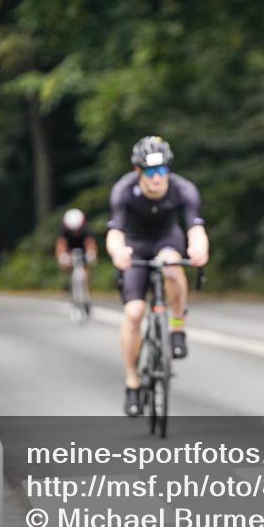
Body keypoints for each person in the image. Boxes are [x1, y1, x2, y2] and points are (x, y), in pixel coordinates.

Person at [106, 136, 210, 418]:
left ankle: (177, 327)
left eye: (162, 171)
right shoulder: (124, 190)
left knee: (173, 267)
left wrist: (199, 247)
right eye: (151, 172)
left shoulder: (182, 189)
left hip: (167, 240)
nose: (157, 178)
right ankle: (132, 381)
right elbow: (115, 233)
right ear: (138, 172)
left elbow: (195, 228)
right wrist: (118, 253)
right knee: (134, 313)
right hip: (135, 245)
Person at [56, 207, 98, 276]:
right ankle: (69, 281)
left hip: (82, 247)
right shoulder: (64, 231)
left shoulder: (86, 229)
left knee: (86, 269)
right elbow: (61, 244)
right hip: (69, 248)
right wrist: (62, 256)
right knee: (66, 266)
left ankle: (85, 283)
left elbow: (90, 243)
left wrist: (91, 254)